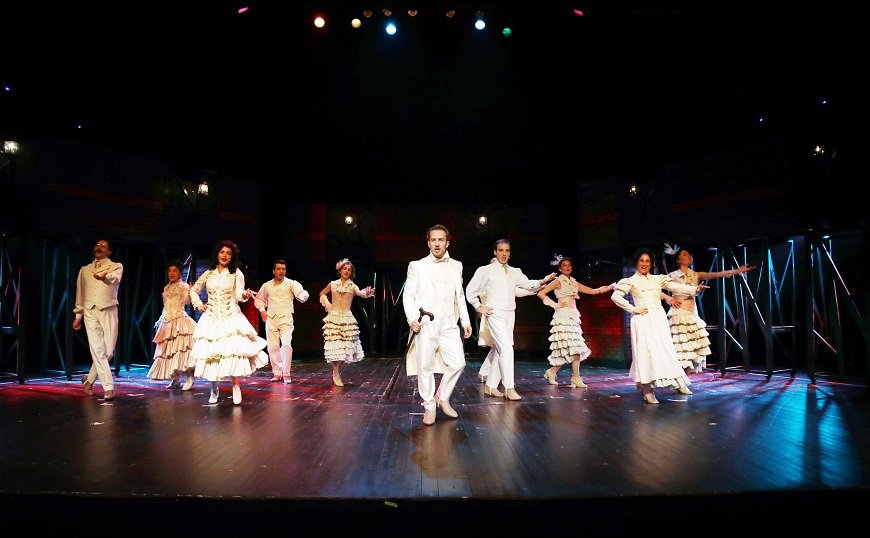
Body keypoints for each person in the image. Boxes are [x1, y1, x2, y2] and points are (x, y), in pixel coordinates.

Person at [610, 247, 707, 404]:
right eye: (642, 261)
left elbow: (676, 287)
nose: (644, 264)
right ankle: (647, 390)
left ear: (651, 264)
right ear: (637, 263)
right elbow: (616, 296)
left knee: (662, 352)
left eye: (647, 261)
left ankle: (668, 384)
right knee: (645, 354)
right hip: (642, 319)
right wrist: (633, 309)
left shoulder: (657, 279)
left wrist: (694, 289)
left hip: (659, 319)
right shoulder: (631, 281)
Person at [465, 239, 556, 400]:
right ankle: (509, 387)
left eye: (507, 251)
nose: (504, 254)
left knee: (501, 349)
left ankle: (490, 386)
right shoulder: (486, 270)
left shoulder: (515, 271)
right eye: (501, 250)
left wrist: (543, 281)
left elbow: (525, 284)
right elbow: (471, 290)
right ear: (495, 252)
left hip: (509, 313)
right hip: (495, 313)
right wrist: (479, 306)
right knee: (506, 348)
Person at [403, 224, 472, 426]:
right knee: (425, 366)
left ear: (447, 243)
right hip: (426, 322)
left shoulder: (456, 265)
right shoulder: (417, 266)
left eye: (441, 240)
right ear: (428, 243)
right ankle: (429, 407)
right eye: (433, 240)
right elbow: (408, 295)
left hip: (449, 322)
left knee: (458, 363)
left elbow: (460, 295)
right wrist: (412, 319)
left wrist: (465, 321)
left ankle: (442, 397)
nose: (437, 243)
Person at [189, 240, 268, 405]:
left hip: (230, 316)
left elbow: (239, 295)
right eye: (222, 252)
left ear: (232, 257)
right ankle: (213, 389)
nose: (225, 255)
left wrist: (245, 294)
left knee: (233, 352)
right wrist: (198, 304)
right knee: (211, 354)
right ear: (217, 254)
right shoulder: (208, 274)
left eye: (228, 253)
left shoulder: (236, 273)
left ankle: (236, 386)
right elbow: (194, 290)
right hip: (211, 318)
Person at [661, 248, 756, 374]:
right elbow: (656, 288)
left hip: (692, 315)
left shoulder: (696, 275)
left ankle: (683, 379)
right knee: (681, 351)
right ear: (678, 260)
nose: (689, 256)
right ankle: (679, 378)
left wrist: (737, 271)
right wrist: (668, 298)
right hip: (678, 315)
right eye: (684, 254)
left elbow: (718, 274)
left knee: (693, 352)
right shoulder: (671, 276)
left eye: (689, 254)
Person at [536, 254, 614, 388]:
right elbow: (540, 293)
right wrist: (555, 305)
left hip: (572, 317)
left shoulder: (573, 282)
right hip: (562, 317)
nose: (567, 267)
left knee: (574, 348)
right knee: (569, 348)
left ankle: (555, 372)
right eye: (564, 265)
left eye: (569, 265)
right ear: (560, 268)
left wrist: (606, 288)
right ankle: (573, 377)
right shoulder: (558, 281)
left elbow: (592, 291)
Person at [73, 239, 123, 401]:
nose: (99, 247)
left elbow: (114, 279)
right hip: (90, 311)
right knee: (97, 349)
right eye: (97, 245)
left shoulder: (116, 266)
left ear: (109, 251)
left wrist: (104, 276)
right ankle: (108, 387)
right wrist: (78, 315)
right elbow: (80, 293)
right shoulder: (85, 270)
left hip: (108, 309)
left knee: (108, 351)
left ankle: (89, 380)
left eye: (103, 246)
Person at [475, 258, 537, 385]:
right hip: (491, 316)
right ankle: (495, 378)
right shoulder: (487, 281)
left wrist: (534, 289)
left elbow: (516, 291)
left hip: (500, 316)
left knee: (498, 347)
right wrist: (480, 309)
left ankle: (486, 374)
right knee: (500, 346)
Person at [318, 258, 375, 387]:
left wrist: (367, 292)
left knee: (345, 350)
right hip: (334, 318)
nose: (347, 271)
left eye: (349, 270)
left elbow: (360, 293)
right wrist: (326, 303)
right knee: (336, 347)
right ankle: (336, 373)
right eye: (344, 269)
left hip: (347, 319)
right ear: (340, 270)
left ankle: (336, 371)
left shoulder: (352, 286)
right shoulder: (333, 284)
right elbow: (322, 293)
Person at [254, 259, 310, 384]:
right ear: (273, 271)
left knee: (286, 345)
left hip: (286, 318)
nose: (281, 271)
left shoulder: (291, 283)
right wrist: (262, 311)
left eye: (283, 269)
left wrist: (303, 296)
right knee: (273, 346)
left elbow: (301, 294)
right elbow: (259, 299)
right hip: (271, 318)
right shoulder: (267, 285)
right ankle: (277, 372)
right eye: (278, 269)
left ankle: (286, 373)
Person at [147, 259, 197, 390]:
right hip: (168, 322)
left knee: (182, 350)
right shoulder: (166, 288)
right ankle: (175, 379)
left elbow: (187, 302)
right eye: (170, 270)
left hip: (180, 320)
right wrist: (160, 320)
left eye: (175, 270)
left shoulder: (183, 286)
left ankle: (190, 377)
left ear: (180, 273)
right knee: (169, 352)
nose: (172, 273)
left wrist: (191, 291)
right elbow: (166, 307)